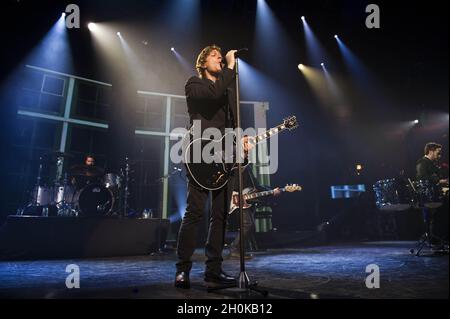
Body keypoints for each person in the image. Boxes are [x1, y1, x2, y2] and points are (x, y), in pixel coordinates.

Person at [175, 45, 245, 289]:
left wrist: (240, 143)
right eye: (215, 56)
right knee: (194, 213)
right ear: (203, 63)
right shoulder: (194, 84)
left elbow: (232, 124)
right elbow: (213, 94)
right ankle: (182, 270)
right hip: (200, 156)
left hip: (224, 158)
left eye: (221, 57)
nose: (221, 59)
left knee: (220, 216)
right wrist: (230, 66)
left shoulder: (227, 91)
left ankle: (213, 270)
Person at [227, 166, 280, 259]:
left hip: (247, 200)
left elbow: (256, 186)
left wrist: (271, 191)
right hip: (235, 199)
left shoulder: (247, 168)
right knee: (248, 224)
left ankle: (237, 250)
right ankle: (234, 248)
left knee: (249, 226)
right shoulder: (231, 167)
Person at [416, 142, 448, 245]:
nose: (439, 155)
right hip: (428, 196)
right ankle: (432, 238)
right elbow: (421, 178)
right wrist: (440, 181)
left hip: (434, 194)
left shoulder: (432, 163)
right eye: (438, 152)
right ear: (431, 151)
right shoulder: (422, 162)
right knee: (432, 218)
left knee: (438, 216)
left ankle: (438, 237)